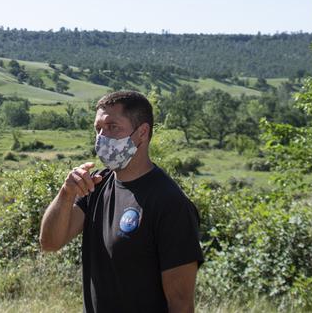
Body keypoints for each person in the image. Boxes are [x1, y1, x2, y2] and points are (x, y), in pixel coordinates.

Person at [39, 90, 202, 313]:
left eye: (113, 127)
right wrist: (66, 194)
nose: (102, 138)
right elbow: (50, 243)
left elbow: (181, 303)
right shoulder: (95, 185)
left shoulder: (169, 203)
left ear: (142, 132)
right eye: (98, 129)